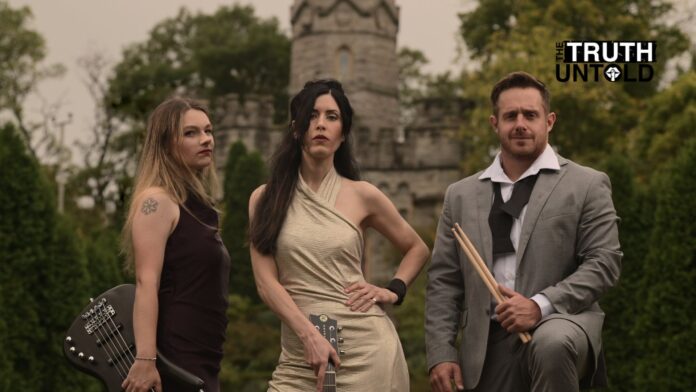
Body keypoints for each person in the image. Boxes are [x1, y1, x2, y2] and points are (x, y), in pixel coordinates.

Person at [425, 71, 622, 392]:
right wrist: (441, 353)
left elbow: (604, 263)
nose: (520, 123)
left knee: (551, 343)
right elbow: (444, 281)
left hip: (561, 322)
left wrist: (538, 305)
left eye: (530, 115)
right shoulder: (460, 195)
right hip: (486, 340)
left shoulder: (586, 184)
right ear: (494, 123)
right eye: (510, 116)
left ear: (550, 121)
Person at [248, 79, 430, 392]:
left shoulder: (364, 195)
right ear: (296, 129)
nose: (321, 124)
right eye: (312, 116)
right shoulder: (264, 199)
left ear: (343, 133)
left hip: (368, 351)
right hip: (300, 354)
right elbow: (266, 284)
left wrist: (393, 290)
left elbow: (417, 248)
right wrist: (309, 337)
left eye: (332, 117)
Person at [121, 97, 230, 392]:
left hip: (205, 354)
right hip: (175, 353)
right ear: (166, 144)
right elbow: (146, 281)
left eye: (208, 131)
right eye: (191, 133)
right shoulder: (157, 201)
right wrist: (146, 359)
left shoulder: (200, 207)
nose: (205, 140)